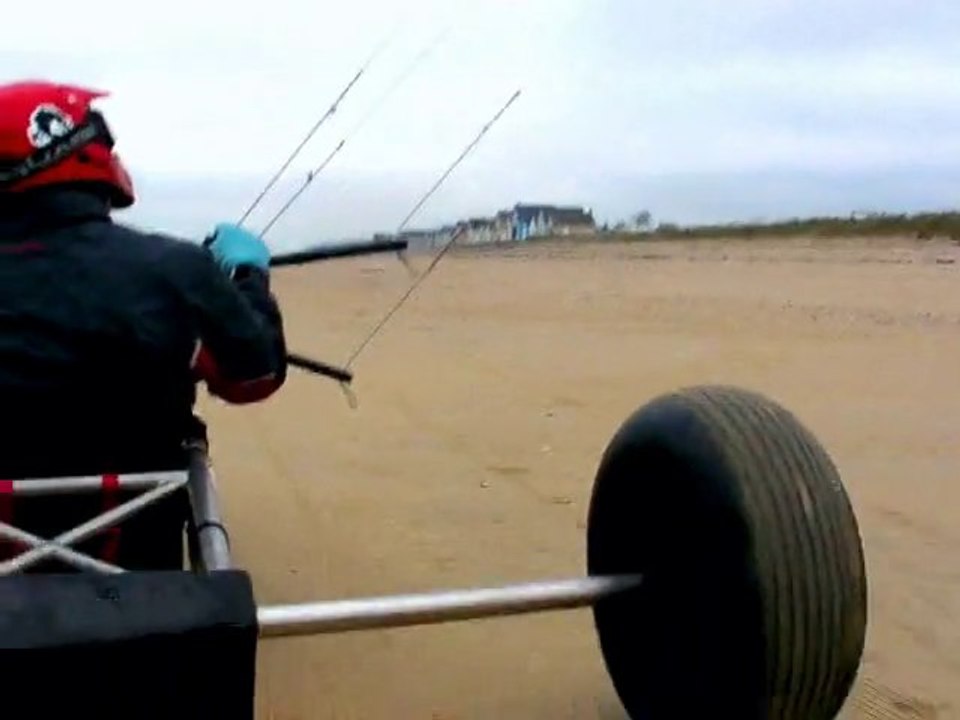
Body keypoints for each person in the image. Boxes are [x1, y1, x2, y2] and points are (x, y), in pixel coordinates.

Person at [0, 79, 288, 566]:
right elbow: (254, 376)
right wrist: (246, 277)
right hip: (130, 568)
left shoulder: (168, 270)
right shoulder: (169, 270)